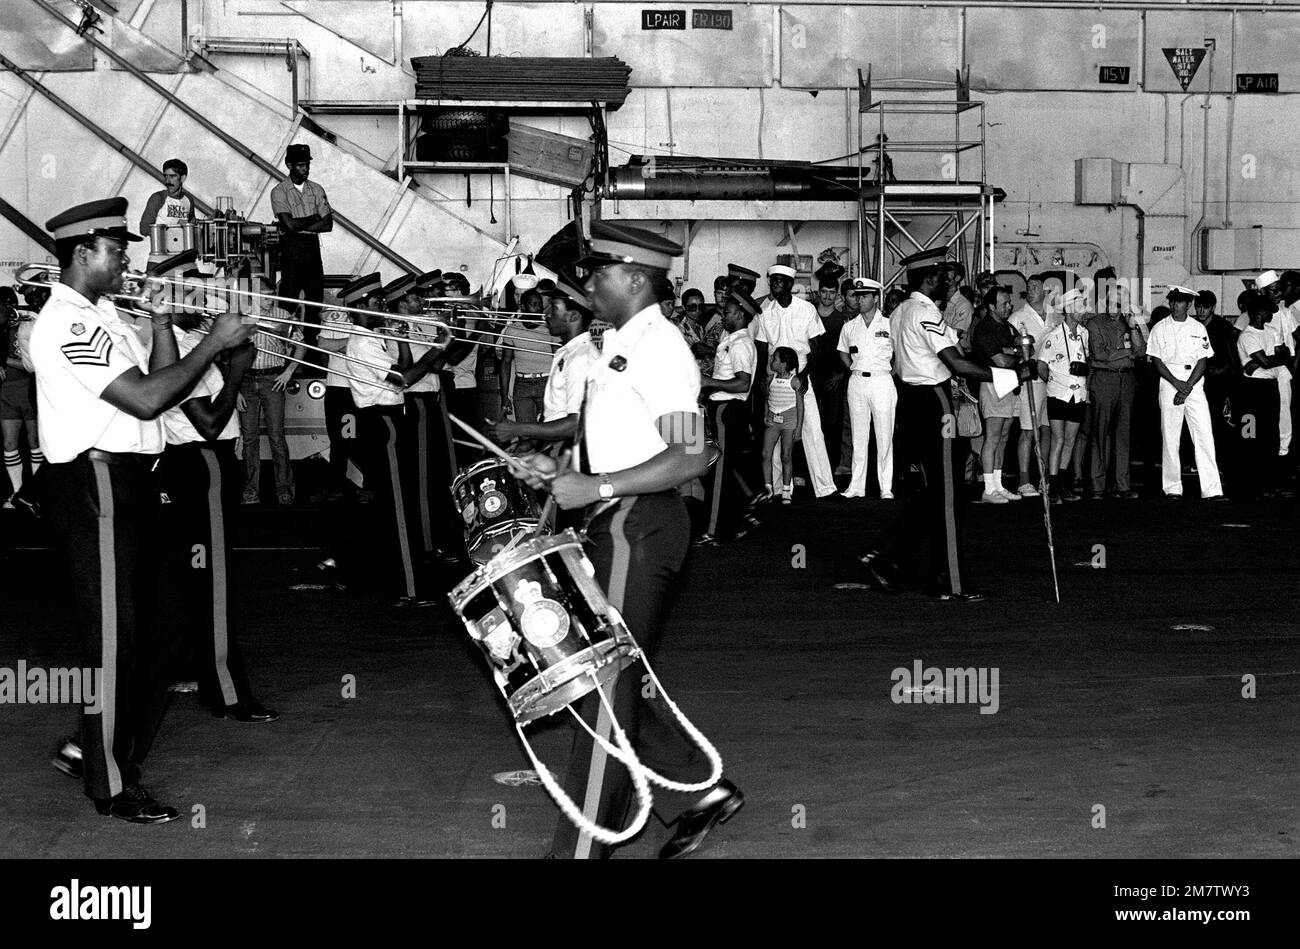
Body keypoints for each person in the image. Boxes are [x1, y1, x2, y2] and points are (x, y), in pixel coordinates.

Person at [519, 221, 742, 860]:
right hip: (615, 521)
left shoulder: (660, 348)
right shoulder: (620, 343)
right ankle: (697, 792)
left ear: (637, 279)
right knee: (611, 682)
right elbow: (624, 443)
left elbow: (693, 455)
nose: (586, 282)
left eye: (598, 272)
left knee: (600, 696)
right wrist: (564, 474)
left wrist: (597, 487)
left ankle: (580, 854)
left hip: (635, 526)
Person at [33, 197, 255, 823]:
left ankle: (98, 749)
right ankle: (108, 782)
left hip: (134, 481)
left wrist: (162, 326)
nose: (128, 258)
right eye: (116, 249)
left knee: (156, 635)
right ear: (83, 253)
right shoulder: (66, 322)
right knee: (116, 642)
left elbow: (164, 384)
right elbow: (144, 398)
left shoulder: (104, 316)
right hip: (95, 483)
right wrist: (212, 342)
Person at [860, 248, 1026, 601]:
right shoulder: (924, 312)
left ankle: (884, 556)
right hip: (934, 402)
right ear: (929, 279)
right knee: (950, 495)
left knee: (935, 492)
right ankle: (951, 581)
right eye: (943, 277)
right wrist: (1012, 374)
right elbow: (957, 364)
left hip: (912, 401)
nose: (949, 283)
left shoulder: (901, 310)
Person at [153, 261, 278, 723]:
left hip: (194, 466)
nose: (207, 305)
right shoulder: (182, 350)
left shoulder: (191, 347)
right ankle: (227, 694)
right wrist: (238, 370)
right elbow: (206, 424)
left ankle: (204, 677)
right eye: (196, 296)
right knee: (215, 582)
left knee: (199, 580)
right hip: (201, 465)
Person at [753, 264, 837, 499]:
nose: (776, 285)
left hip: (799, 377)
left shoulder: (807, 309)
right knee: (775, 430)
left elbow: (816, 346)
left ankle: (825, 487)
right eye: (773, 281)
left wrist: (804, 374)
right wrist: (762, 376)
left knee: (812, 429)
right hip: (774, 378)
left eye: (781, 281)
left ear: (790, 284)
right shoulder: (764, 311)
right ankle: (778, 488)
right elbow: (761, 347)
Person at [486, 279, 595, 447]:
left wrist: (517, 429)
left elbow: (576, 424)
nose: (547, 313)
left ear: (573, 316)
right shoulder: (568, 352)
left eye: (555, 308)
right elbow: (557, 416)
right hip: (559, 447)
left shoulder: (580, 358)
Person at [1144, 286, 1225, 499]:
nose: (1174, 305)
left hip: (1194, 383)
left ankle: (1212, 488)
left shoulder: (1198, 328)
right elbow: (1157, 361)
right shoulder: (1159, 328)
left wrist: (1187, 386)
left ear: (1189, 305)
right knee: (1170, 436)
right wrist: (1176, 383)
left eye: (1179, 302)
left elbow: (1202, 360)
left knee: (1204, 434)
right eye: (1172, 301)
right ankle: (1172, 487)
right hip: (1170, 380)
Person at [697, 288, 759, 543]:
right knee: (722, 467)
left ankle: (712, 530)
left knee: (719, 472)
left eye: (730, 312)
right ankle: (746, 508)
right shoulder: (731, 340)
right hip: (719, 408)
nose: (725, 316)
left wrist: (708, 382)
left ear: (742, 315)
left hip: (727, 409)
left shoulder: (741, 344)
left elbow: (743, 384)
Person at [237, 274, 303, 507]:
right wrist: (235, 390)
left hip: (273, 378)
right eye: (263, 296)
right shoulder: (241, 316)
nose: (269, 300)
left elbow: (301, 346)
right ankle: (250, 492)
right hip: (245, 381)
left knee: (277, 437)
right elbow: (229, 355)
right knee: (249, 439)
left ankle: (284, 490)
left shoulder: (283, 316)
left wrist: (289, 371)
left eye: (271, 295)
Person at [313, 276, 378, 503]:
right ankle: (336, 486)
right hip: (339, 388)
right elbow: (323, 345)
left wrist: (344, 345)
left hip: (362, 388)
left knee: (365, 439)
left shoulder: (376, 317)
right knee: (339, 439)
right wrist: (354, 342)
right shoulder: (335, 316)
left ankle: (368, 486)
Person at [1086, 270, 1145, 499]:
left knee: (1123, 433)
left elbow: (1140, 351)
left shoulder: (1127, 323)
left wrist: (1132, 327)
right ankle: (1097, 486)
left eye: (1119, 303)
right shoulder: (1095, 323)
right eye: (1111, 302)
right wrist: (1125, 353)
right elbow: (1100, 355)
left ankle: (1122, 485)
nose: (1114, 307)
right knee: (1100, 433)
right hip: (1103, 379)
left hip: (1126, 380)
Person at [836, 276, 896, 500]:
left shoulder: (889, 324)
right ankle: (856, 485)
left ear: (875, 298)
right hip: (858, 380)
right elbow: (842, 351)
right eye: (857, 296)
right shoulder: (850, 326)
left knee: (884, 435)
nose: (859, 300)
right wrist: (852, 367)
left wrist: (893, 372)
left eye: (864, 296)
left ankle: (885, 486)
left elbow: (899, 353)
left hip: (882, 380)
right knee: (859, 436)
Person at [270, 143, 332, 349]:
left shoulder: (317, 189)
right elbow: (288, 225)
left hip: (312, 249)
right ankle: (285, 347)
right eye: (300, 165)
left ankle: (311, 350)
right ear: (289, 165)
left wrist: (298, 224)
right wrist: (314, 217)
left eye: (306, 165)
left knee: (315, 301)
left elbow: (328, 224)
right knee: (288, 302)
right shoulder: (279, 191)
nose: (305, 169)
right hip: (291, 250)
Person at [970, 284, 1022, 503]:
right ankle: (988, 489)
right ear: (991, 306)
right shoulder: (985, 329)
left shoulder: (1007, 327)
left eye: (1010, 302)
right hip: (993, 384)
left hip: (1011, 383)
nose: (1009, 306)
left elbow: (1022, 347)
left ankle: (998, 485)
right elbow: (1000, 361)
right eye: (1004, 303)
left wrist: (1014, 352)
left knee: (1004, 436)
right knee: (992, 436)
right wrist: (1017, 355)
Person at [1037, 289, 1090, 502]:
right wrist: (1053, 381)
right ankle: (1052, 486)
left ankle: (1064, 484)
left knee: (1070, 440)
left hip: (1078, 394)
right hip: (1059, 393)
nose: (1084, 310)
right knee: (1058, 440)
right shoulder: (1054, 335)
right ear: (1068, 309)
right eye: (1080, 305)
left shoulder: (1085, 333)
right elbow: (1041, 364)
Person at [1234, 290, 1286, 499]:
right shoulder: (1247, 336)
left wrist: (1257, 362)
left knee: (1269, 436)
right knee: (1250, 436)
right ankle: (1248, 484)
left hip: (1269, 388)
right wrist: (1267, 360)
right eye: (1268, 310)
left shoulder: (1270, 332)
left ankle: (1267, 483)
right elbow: (1269, 360)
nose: (1272, 313)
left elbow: (1278, 356)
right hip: (1251, 392)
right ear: (1259, 312)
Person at [1009, 273, 1052, 497]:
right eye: (1029, 286)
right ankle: (1024, 481)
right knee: (1027, 430)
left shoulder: (1055, 317)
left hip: (1052, 382)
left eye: (1036, 286)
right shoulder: (1018, 317)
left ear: (1045, 291)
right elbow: (1011, 349)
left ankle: (1043, 477)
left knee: (1046, 430)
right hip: (1030, 381)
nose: (1032, 288)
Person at [2, 286, 43, 510]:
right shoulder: (3, 329)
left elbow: (32, 366)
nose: (8, 308)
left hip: (27, 388)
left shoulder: (26, 323)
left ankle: (37, 494)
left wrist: (3, 361)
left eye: (10, 302)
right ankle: (18, 493)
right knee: (9, 443)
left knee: (34, 442)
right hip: (6, 392)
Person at [1194, 289, 1240, 472]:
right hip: (1196, 380)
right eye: (1198, 307)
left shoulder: (1223, 327)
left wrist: (1221, 369)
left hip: (1219, 381)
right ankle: (1198, 462)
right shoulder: (1191, 325)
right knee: (1198, 422)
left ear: (1212, 307)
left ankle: (1219, 462)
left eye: (1205, 307)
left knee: (1220, 422)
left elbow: (1233, 357)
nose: (1201, 311)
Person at [500, 287, 556, 429]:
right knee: (524, 433)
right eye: (533, 304)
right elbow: (505, 363)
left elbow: (559, 360)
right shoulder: (512, 330)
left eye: (539, 304)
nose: (538, 308)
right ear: (523, 306)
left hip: (546, 384)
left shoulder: (550, 329)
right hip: (522, 386)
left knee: (548, 432)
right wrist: (504, 397)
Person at [138, 158, 196, 234]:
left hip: (184, 245)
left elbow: (192, 223)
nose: (168, 181)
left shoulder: (188, 199)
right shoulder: (158, 198)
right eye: (166, 176)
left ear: (182, 178)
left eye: (172, 176)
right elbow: (144, 229)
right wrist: (176, 226)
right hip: (162, 245)